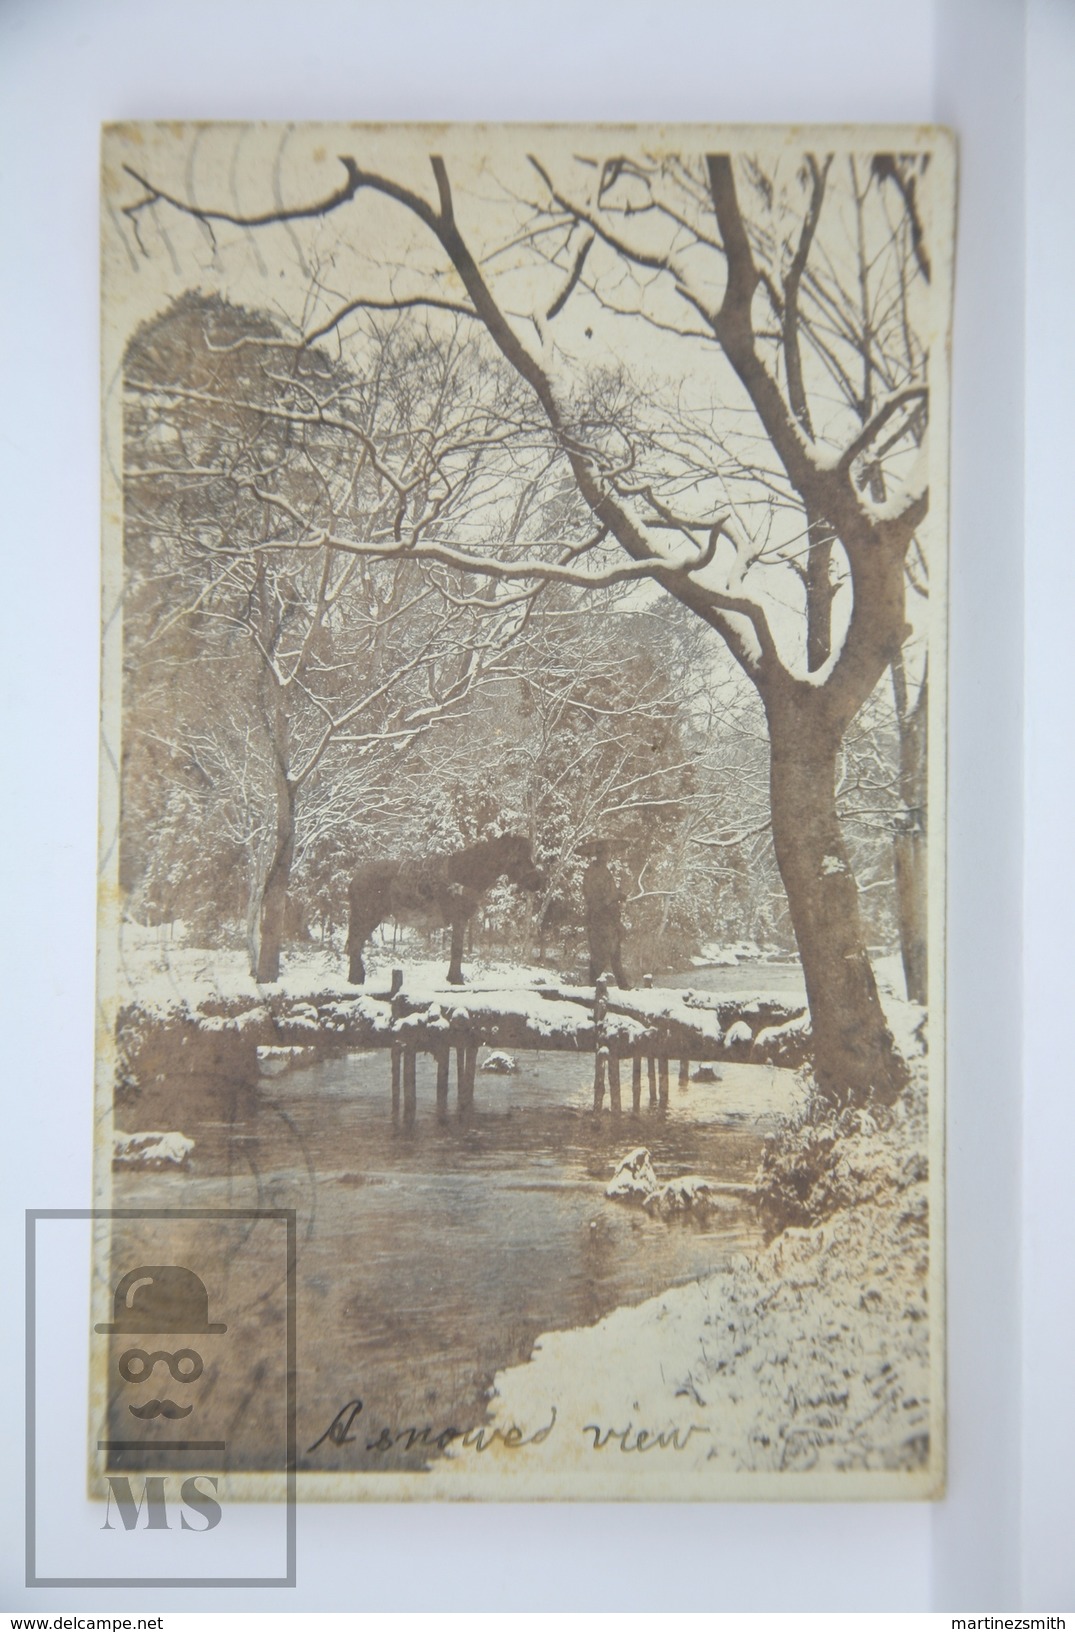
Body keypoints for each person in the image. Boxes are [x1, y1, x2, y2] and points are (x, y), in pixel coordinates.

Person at [582, 841, 628, 987]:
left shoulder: (603, 870)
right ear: (600, 854)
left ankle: (623, 985)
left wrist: (619, 895)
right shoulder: (594, 871)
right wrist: (614, 898)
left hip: (609, 917)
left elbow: (609, 892)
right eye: (606, 852)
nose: (608, 855)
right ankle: (593, 987)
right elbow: (595, 895)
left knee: (614, 951)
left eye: (609, 852)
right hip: (599, 916)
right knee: (600, 954)